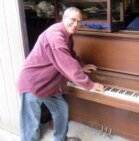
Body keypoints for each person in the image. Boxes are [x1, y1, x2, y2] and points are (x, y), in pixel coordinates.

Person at [16, 7, 104, 141]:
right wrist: (90, 85)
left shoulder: (67, 36)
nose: (76, 24)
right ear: (64, 18)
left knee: (61, 109)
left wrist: (82, 65)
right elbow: (68, 64)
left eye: (79, 21)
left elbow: (70, 56)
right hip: (33, 84)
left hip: (49, 84)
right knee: (31, 126)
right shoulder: (55, 36)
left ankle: (60, 139)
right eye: (73, 20)